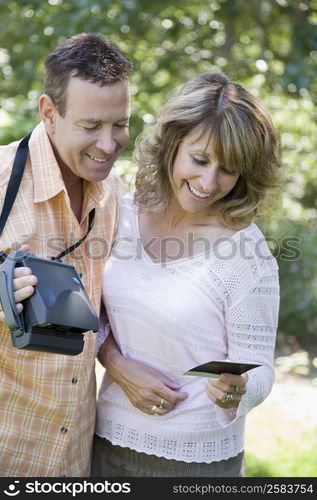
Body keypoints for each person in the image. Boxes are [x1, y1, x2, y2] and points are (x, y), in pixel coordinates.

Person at [92, 71, 281, 477]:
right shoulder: (123, 209)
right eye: (199, 160)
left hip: (196, 466)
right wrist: (114, 362)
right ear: (173, 145)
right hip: (103, 443)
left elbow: (261, 368)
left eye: (228, 170)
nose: (208, 182)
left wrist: (236, 393)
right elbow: (95, 312)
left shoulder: (245, 251)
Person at [0, 33, 132, 476]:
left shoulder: (115, 195)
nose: (109, 144)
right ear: (49, 113)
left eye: (120, 124)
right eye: (91, 126)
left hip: (75, 457)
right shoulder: (2, 183)